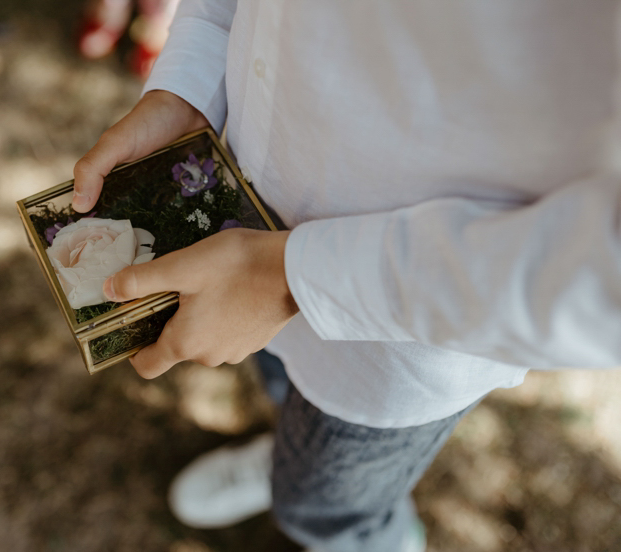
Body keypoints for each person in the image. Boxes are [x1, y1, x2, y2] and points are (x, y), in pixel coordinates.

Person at [72, 2, 621, 551]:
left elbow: (604, 279)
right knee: (279, 381)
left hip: (398, 338)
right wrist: (192, 84)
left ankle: (365, 534)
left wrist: (294, 278)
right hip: (240, 220)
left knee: (324, 505)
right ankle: (289, 448)